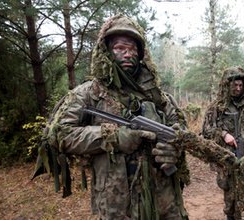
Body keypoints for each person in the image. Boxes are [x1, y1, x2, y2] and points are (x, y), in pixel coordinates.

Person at [49, 15, 190, 220]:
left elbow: (182, 131)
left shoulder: (159, 97)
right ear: (106, 51)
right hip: (116, 206)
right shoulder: (88, 94)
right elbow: (60, 134)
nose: (128, 54)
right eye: (120, 48)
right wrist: (112, 137)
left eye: (133, 49)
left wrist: (174, 149)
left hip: (164, 205)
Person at [201, 66, 244, 220]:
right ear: (227, 85)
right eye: (234, 85)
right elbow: (206, 131)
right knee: (231, 204)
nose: (238, 88)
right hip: (229, 161)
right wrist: (224, 135)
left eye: (240, 85)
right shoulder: (216, 108)